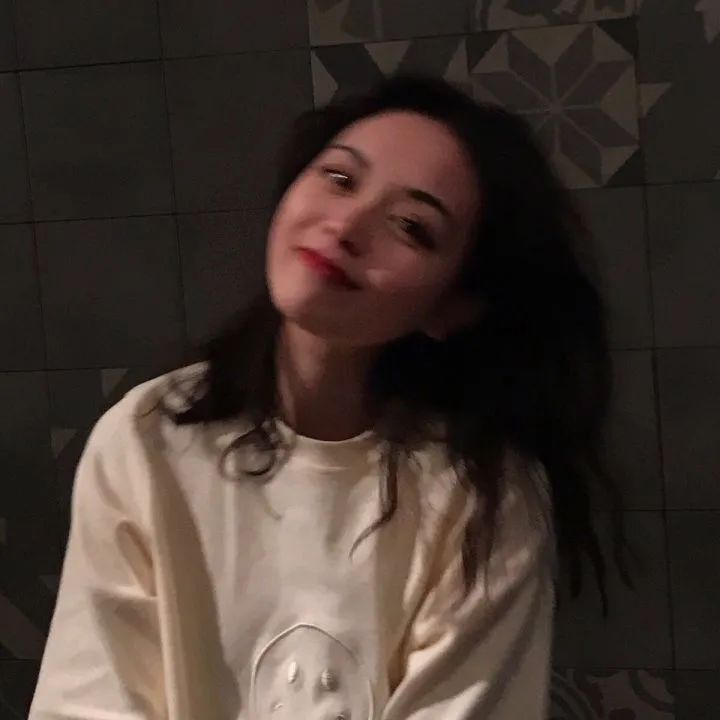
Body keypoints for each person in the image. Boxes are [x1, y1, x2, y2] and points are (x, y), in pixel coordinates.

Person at [29, 74, 615, 719]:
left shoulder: (484, 495)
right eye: (339, 178)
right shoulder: (146, 438)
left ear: (453, 304)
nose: (347, 225)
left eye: (411, 226)